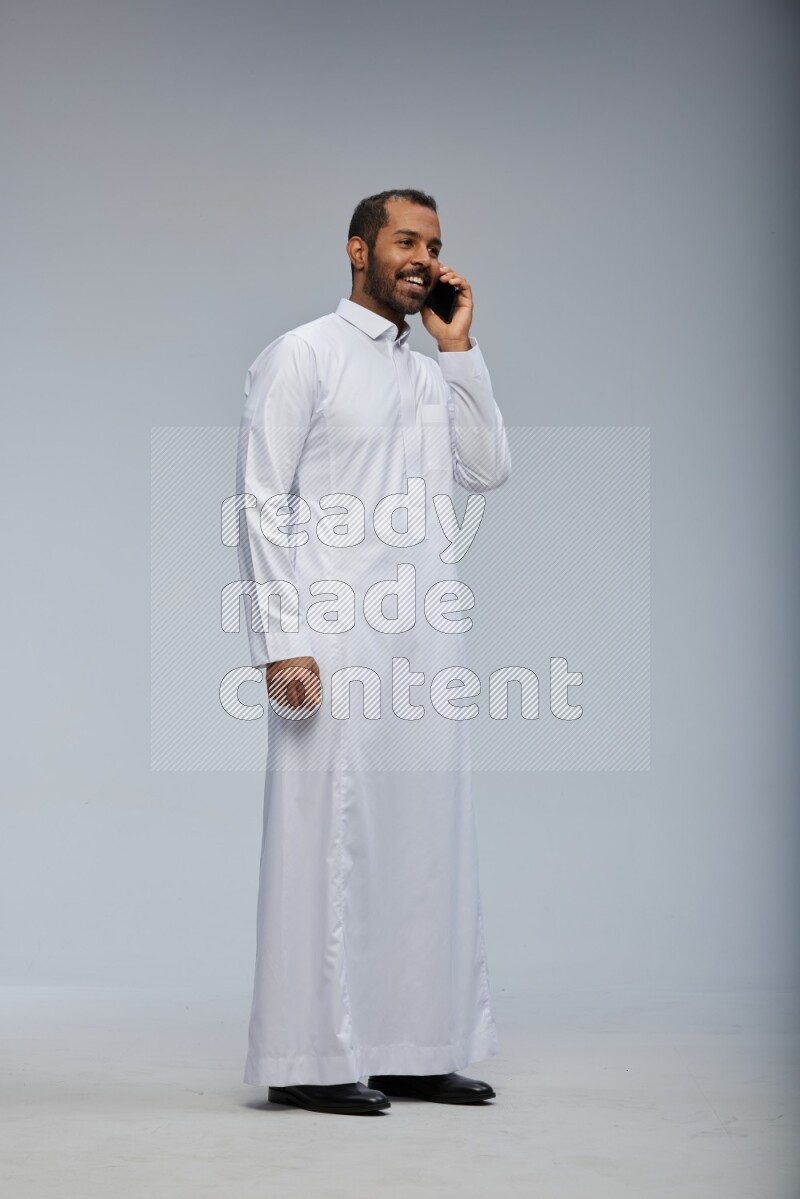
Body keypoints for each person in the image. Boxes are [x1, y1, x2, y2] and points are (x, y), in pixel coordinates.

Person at [235, 188, 511, 1115]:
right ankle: (306, 1058)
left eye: (434, 244)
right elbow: (261, 501)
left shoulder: (430, 374)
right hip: (331, 639)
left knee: (425, 840)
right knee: (324, 843)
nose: (423, 258)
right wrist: (282, 643)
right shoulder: (303, 354)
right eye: (405, 240)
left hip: (425, 643)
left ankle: (414, 1045)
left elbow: (488, 469)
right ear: (359, 250)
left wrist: (458, 348)